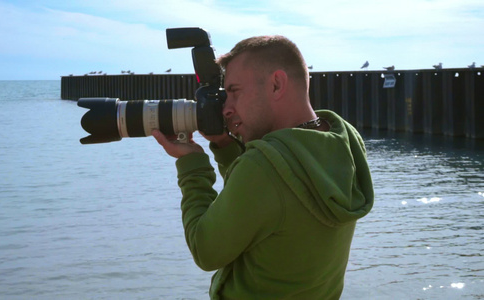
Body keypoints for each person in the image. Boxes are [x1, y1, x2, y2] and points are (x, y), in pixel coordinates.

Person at [152, 35, 374, 299]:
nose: (226, 109)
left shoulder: (262, 169)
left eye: (234, 92)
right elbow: (268, 201)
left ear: (277, 85)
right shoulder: (343, 140)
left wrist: (191, 163)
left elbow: (206, 250)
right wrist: (225, 146)